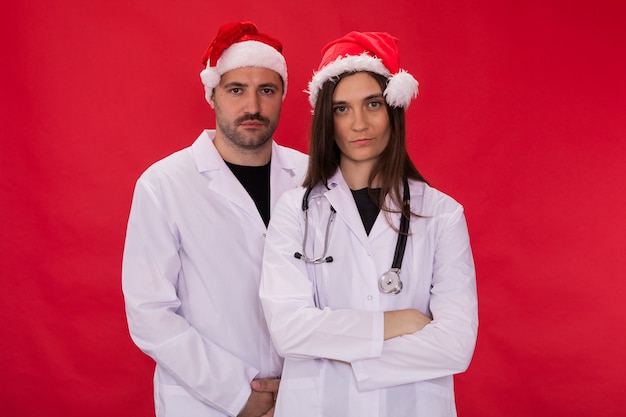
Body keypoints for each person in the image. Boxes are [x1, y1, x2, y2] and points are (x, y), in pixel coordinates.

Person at [259, 31, 478, 416]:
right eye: (342, 109)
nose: (358, 123)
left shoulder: (442, 214)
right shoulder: (295, 210)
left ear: (393, 107)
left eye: (372, 104)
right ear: (328, 119)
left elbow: (456, 345)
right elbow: (288, 330)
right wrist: (400, 322)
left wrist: (337, 356)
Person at [122, 21, 308, 417]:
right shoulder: (164, 184)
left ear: (282, 97)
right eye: (236, 89)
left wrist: (304, 385)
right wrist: (238, 392)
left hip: (304, 395)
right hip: (206, 402)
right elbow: (149, 313)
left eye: (267, 90)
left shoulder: (313, 178)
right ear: (213, 95)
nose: (253, 106)